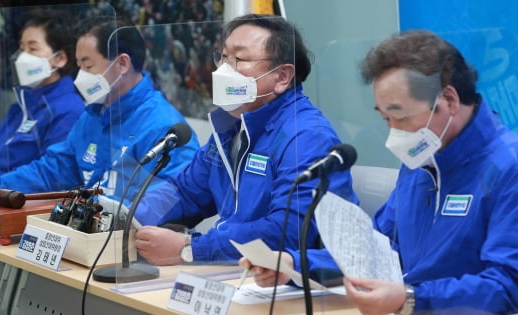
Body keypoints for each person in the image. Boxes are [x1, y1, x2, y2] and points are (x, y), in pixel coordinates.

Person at [243, 30, 518, 315]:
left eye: (399, 116)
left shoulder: (515, 167)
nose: (393, 134)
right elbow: (374, 249)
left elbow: (507, 289)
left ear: (449, 100)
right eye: (384, 119)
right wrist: (292, 264)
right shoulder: (421, 159)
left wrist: (410, 299)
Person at [132, 14, 357, 266]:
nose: (223, 70)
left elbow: (287, 232)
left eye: (238, 59)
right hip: (238, 269)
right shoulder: (232, 125)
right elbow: (185, 193)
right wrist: (129, 218)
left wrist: (191, 248)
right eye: (223, 57)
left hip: (291, 283)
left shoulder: (306, 136)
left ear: (282, 76)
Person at [0, 17, 198, 204]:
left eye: (88, 65)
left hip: (133, 247)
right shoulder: (92, 117)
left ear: (122, 63)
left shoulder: (163, 125)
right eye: (78, 66)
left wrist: (119, 220)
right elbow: (52, 171)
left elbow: (179, 195)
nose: (81, 77)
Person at [0, 10, 84, 181]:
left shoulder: (69, 110)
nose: (23, 57)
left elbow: (51, 176)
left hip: (16, 201)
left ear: (60, 58)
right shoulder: (21, 106)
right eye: (21, 49)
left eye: (33, 49)